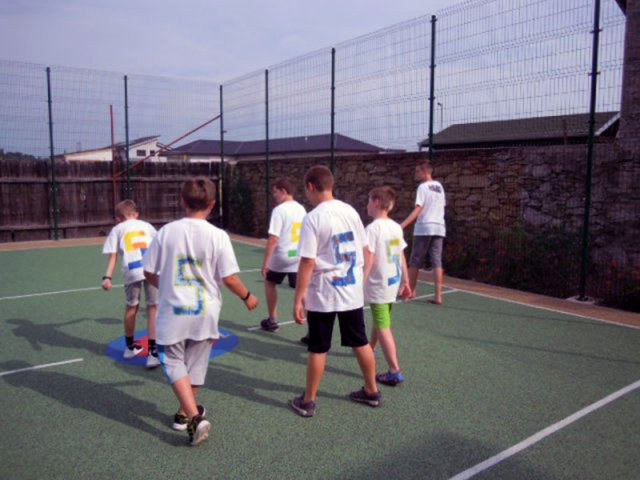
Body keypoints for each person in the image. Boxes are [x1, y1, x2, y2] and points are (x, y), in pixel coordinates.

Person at [143, 177, 258, 446]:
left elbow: (148, 271)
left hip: (174, 311)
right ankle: (184, 414)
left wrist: (165, 285)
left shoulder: (166, 232)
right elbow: (229, 278)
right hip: (206, 311)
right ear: (212, 204)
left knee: (172, 361)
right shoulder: (219, 236)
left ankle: (193, 417)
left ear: (182, 201)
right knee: (194, 365)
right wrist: (248, 296)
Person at [290, 165, 382, 417]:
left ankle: (308, 401)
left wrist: (298, 297)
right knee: (360, 341)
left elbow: (307, 261)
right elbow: (366, 250)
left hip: (324, 293)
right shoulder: (350, 211)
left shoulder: (313, 218)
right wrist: (360, 279)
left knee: (318, 347)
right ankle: (372, 391)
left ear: (310, 186)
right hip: (350, 290)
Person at [102, 199, 160, 368]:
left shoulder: (117, 229)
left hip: (131, 269)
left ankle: (129, 348)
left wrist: (107, 277)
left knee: (131, 307)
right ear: (136, 214)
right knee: (152, 308)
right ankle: (152, 354)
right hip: (151, 268)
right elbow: (158, 247)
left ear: (117, 219)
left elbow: (113, 255)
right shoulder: (147, 226)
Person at [363, 186, 411, 386]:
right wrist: (406, 281)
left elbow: (369, 258)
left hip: (379, 285)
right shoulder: (396, 227)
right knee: (380, 318)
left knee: (383, 325)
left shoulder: (372, 229)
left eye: (368, 200)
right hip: (392, 282)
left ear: (376, 201)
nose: (366, 205)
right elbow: (401, 254)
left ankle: (394, 370)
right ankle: (371, 348)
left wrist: (360, 282)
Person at [260, 177, 306, 332]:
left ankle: (272, 320)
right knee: (302, 290)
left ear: (283, 191)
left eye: (275, 192)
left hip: (281, 256)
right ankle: (314, 330)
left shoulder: (279, 210)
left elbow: (273, 238)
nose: (274, 195)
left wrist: (265, 263)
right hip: (297, 256)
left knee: (269, 282)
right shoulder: (301, 209)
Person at [400, 161, 446, 305]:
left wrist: (403, 225)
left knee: (415, 260)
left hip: (424, 227)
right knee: (437, 261)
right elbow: (442, 206)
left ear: (425, 172)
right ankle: (438, 296)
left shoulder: (422, 187)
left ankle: (410, 291)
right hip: (439, 227)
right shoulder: (439, 187)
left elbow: (418, 208)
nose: (416, 174)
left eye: (417, 171)